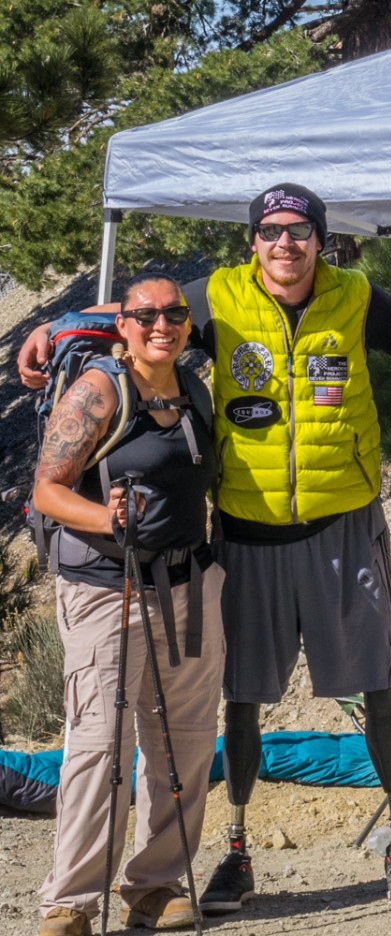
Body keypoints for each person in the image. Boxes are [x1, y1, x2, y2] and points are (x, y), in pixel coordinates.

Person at [19, 184, 391, 910]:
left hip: (343, 522)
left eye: (300, 230)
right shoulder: (214, 297)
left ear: (321, 238)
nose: (286, 243)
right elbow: (139, 315)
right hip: (247, 533)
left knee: (373, 681)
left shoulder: (357, 296)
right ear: (253, 240)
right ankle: (236, 852)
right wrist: (56, 327)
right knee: (241, 698)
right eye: (271, 231)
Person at [35, 273, 225, 936]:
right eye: (145, 316)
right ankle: (71, 902)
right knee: (100, 745)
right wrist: (104, 518)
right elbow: (47, 490)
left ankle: (154, 885)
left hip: (188, 586)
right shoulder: (98, 391)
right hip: (106, 590)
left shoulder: (195, 387)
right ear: (124, 325)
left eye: (174, 314)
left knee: (187, 742)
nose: (161, 326)